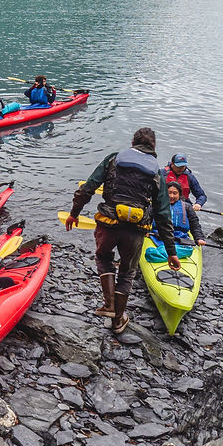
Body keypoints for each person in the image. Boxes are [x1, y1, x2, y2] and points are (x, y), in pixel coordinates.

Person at [65, 125, 179, 334]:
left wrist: (74, 213)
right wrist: (171, 252)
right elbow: (163, 214)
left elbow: (87, 188)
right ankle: (118, 320)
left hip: (107, 223)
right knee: (127, 273)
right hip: (135, 230)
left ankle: (109, 305)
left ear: (132, 143)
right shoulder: (157, 173)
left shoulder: (113, 159)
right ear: (154, 147)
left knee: (103, 257)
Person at [158, 180, 206, 249]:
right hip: (158, 235)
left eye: (175, 193)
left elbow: (194, 224)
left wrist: (199, 238)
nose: (171, 196)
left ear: (179, 194)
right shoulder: (157, 204)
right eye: (169, 193)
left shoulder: (187, 206)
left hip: (181, 237)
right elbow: (147, 219)